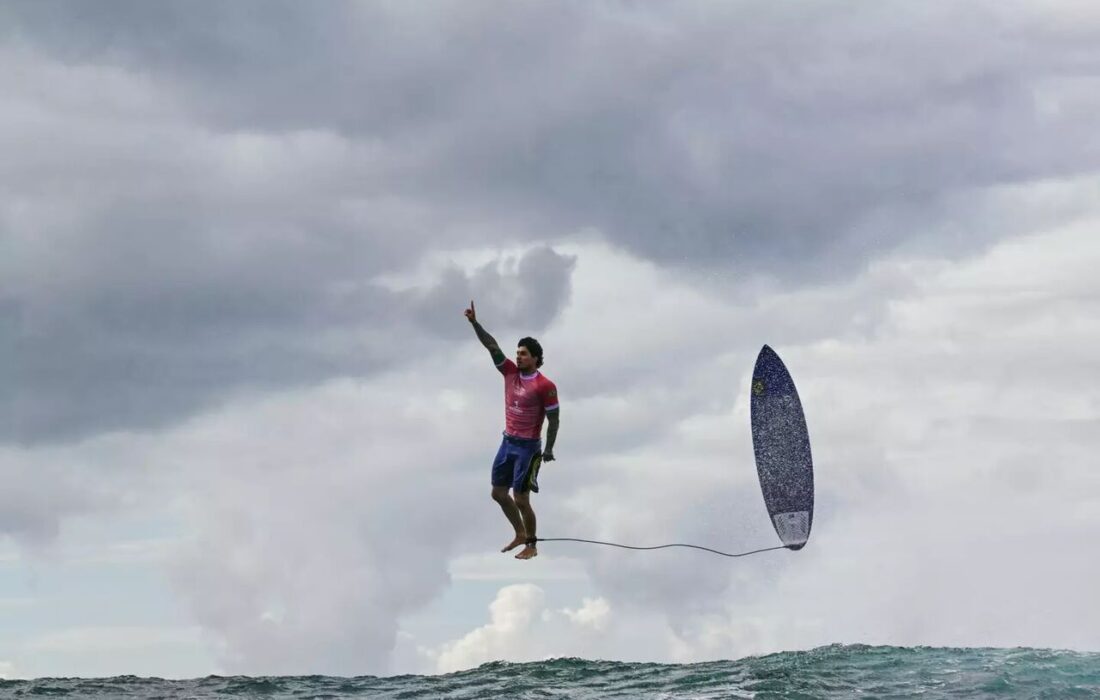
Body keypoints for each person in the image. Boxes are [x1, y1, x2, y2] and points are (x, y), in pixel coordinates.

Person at [464, 300, 559, 560]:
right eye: (517, 352)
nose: (518, 357)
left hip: (528, 448)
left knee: (521, 499)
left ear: (536, 359)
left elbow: (554, 419)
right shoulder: (509, 373)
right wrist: (475, 324)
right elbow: (492, 346)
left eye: (524, 354)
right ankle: (519, 533)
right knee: (497, 493)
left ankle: (532, 544)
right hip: (507, 442)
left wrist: (548, 449)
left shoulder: (545, 385)